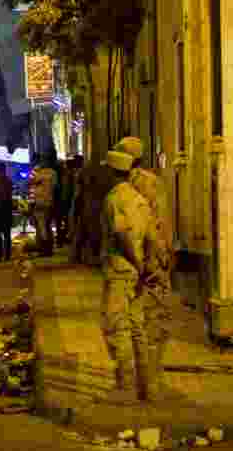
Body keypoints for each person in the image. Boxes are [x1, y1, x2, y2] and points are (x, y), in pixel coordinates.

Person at [113, 136, 175, 401]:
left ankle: (145, 385)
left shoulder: (135, 186)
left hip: (145, 260)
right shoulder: (152, 182)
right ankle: (149, 384)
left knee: (142, 324)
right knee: (150, 324)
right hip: (155, 258)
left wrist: (148, 261)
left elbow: (147, 227)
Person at [99, 149, 155, 404]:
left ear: (112, 173)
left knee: (115, 325)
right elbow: (151, 235)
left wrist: (135, 261)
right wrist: (145, 264)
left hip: (121, 269)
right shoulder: (138, 198)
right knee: (136, 327)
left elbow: (123, 236)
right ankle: (146, 386)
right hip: (137, 271)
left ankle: (125, 385)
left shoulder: (114, 199)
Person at [28, 156, 57, 257]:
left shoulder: (36, 172)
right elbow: (55, 188)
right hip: (49, 203)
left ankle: (44, 250)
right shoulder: (53, 173)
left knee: (41, 228)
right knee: (47, 227)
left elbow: (31, 188)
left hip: (39, 203)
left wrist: (31, 205)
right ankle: (49, 249)